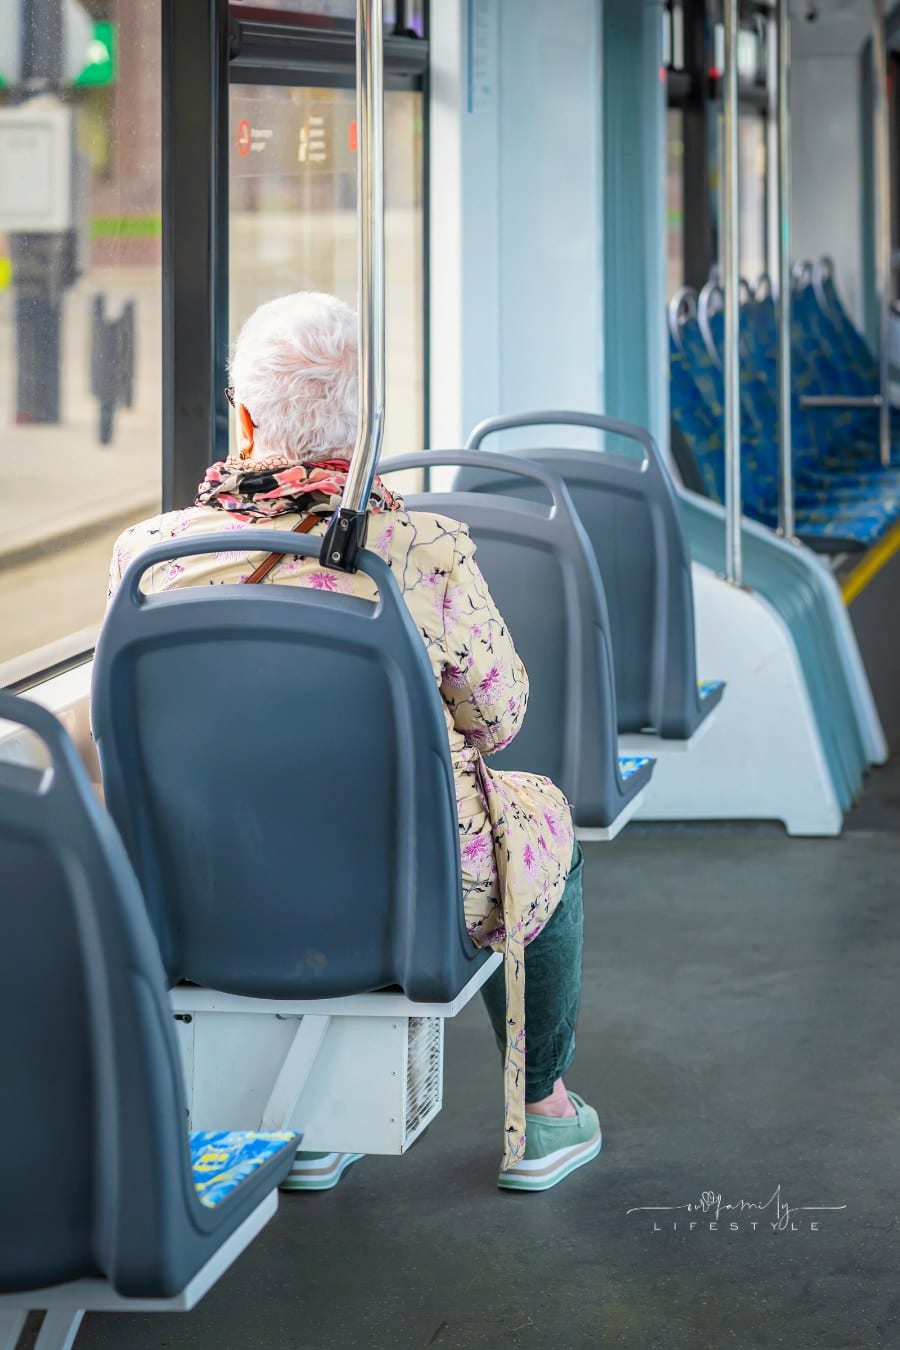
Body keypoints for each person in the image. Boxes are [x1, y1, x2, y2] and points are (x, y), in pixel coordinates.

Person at [107, 292, 601, 1194]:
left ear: (244, 416)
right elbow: (500, 720)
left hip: (203, 885)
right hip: (400, 892)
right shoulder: (418, 551)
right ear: (366, 424)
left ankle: (307, 1118)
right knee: (542, 822)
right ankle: (540, 1113)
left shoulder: (151, 560)